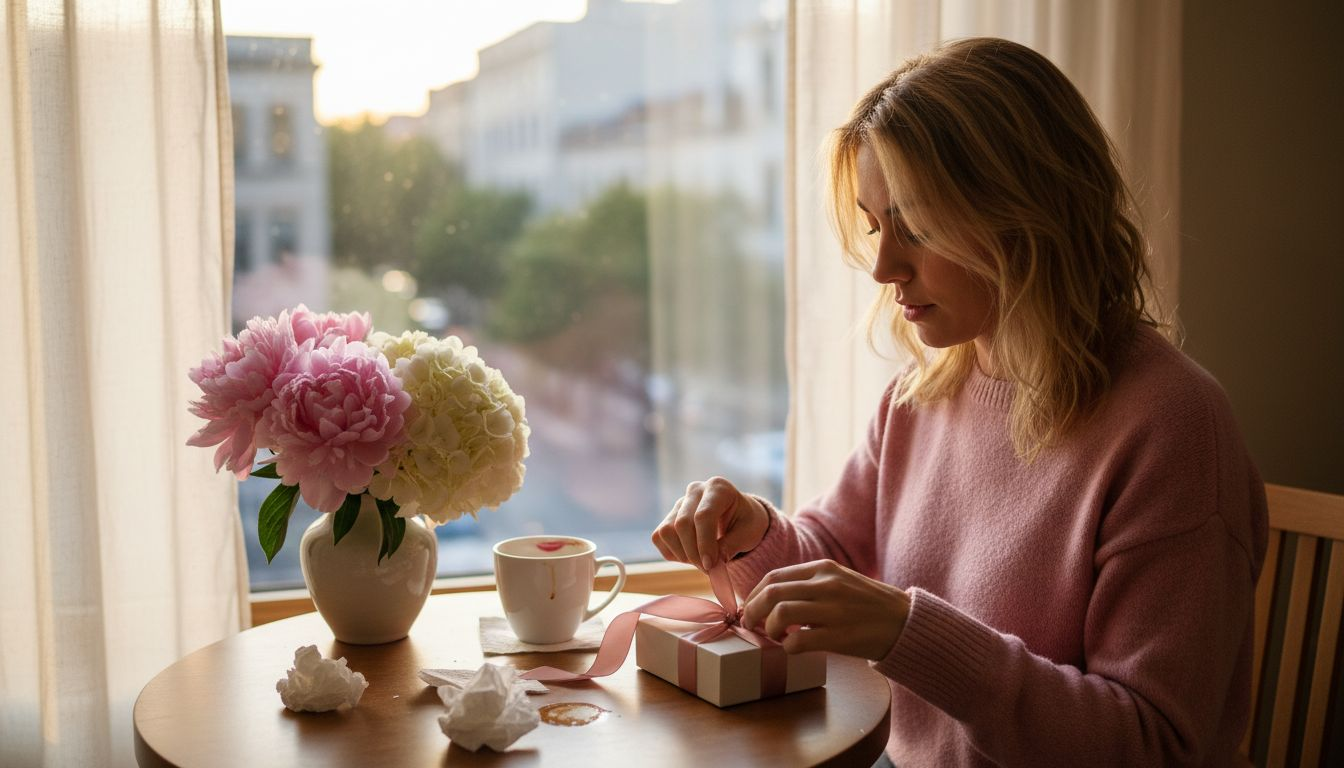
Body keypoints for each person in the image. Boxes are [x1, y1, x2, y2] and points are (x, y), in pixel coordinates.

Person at [652, 37, 1267, 767]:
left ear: (1026, 211)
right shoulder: (923, 394)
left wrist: (910, 635)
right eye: (876, 224)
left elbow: (1153, 745)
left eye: (914, 225)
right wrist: (751, 531)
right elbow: (834, 558)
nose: (883, 266)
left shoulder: (1171, 426)